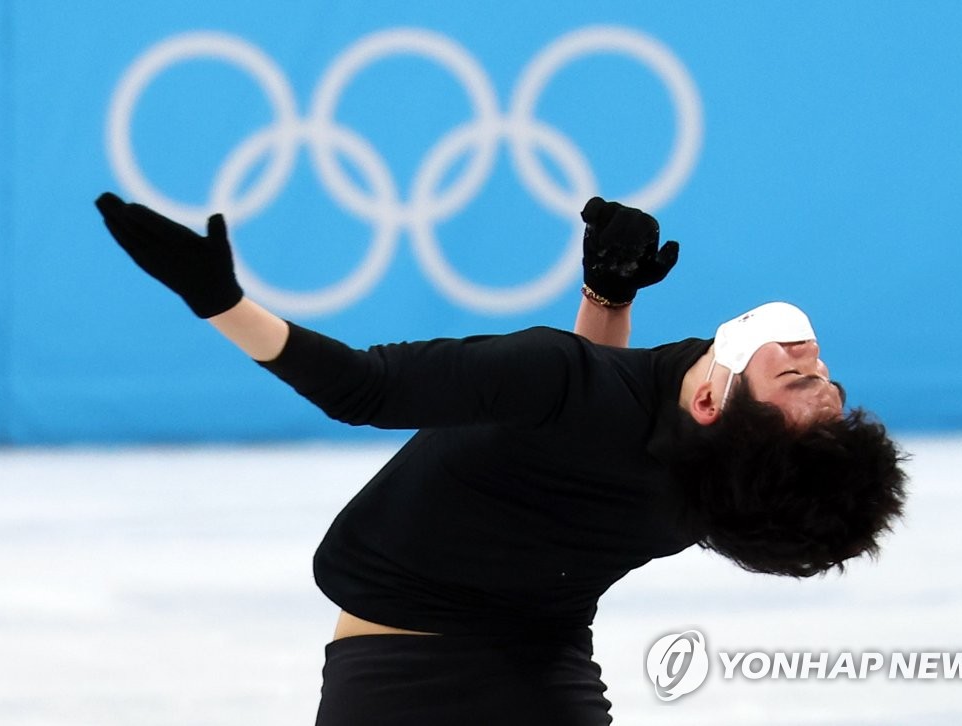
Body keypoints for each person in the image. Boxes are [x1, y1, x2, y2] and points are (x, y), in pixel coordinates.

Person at [94, 193, 907, 725]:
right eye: (825, 383)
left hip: (397, 681)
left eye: (793, 374)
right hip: (546, 680)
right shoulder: (716, 492)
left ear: (707, 404)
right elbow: (584, 435)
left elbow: (363, 390)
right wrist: (608, 299)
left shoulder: (557, 380)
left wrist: (221, 302)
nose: (808, 355)